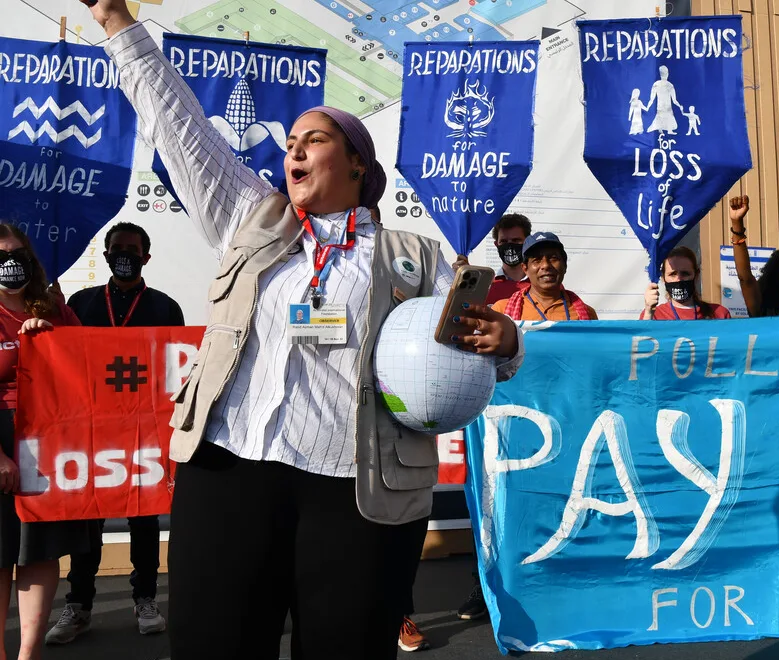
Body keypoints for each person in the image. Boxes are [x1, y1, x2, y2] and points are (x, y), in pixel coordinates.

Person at [84, 2, 523, 659]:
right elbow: (179, 127)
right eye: (290, 140)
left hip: (353, 488)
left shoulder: (413, 256)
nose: (293, 148)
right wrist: (116, 21)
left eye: (313, 139)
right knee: (214, 646)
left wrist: (506, 343)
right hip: (228, 469)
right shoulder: (251, 216)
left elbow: (485, 351)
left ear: (356, 164)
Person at [45, 223, 183, 645]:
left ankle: (145, 598)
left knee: (144, 517)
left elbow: (175, 369)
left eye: (132, 249)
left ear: (146, 257)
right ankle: (79, 605)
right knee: (88, 518)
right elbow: (62, 360)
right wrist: (49, 313)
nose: (124, 255)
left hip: (144, 431)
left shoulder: (165, 307)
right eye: (117, 248)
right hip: (92, 430)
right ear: (105, 255)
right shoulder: (81, 302)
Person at [0, 224, 93, 660]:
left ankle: (29, 653)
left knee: (39, 550)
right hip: (2, 440)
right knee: (0, 553)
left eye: (17, 254)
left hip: (48, 442)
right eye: (1, 255)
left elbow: (87, 364)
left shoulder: (55, 307)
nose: (11, 263)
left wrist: (55, 342)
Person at [492, 232, 597, 321]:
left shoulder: (587, 314)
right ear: (525, 269)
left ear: (564, 266)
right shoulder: (501, 311)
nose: (546, 265)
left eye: (553, 258)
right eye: (537, 260)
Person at [640, 246, 731, 320]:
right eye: (673, 274)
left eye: (685, 273)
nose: (679, 279)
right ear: (663, 278)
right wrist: (648, 313)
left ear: (696, 275)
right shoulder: (654, 315)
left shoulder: (719, 314)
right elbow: (643, 337)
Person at [486, 214, 532, 305]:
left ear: (527, 242)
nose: (510, 245)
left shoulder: (545, 285)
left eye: (516, 240)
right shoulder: (486, 288)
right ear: (496, 245)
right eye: (503, 241)